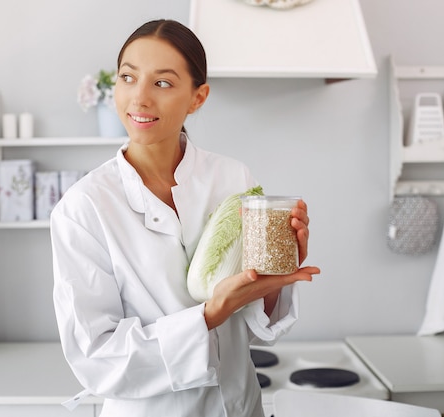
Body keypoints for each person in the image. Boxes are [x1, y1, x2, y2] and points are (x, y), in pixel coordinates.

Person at [51, 19, 320, 417]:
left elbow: (257, 327)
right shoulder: (83, 207)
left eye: (162, 83)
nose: (139, 98)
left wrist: (274, 278)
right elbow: (97, 357)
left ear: (198, 98)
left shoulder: (234, 179)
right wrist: (209, 315)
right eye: (128, 77)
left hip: (240, 406)